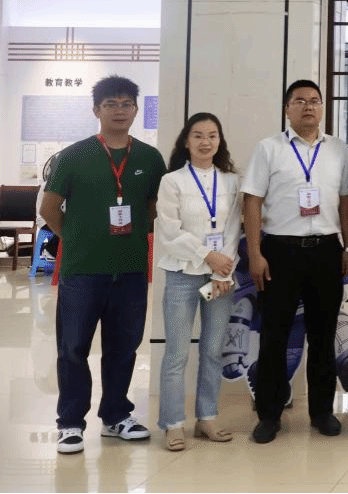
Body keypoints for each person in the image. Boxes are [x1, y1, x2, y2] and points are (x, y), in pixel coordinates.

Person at [42, 76, 166, 454]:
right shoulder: (73, 156)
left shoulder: (149, 158)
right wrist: (76, 237)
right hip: (82, 270)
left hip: (129, 269)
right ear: (96, 109)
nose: (119, 110)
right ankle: (70, 423)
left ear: (136, 110)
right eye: (111, 104)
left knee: (124, 348)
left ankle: (116, 416)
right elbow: (49, 208)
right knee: (73, 348)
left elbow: (152, 209)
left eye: (126, 104)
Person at [243, 79, 348, 444]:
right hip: (280, 251)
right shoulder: (269, 148)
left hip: (326, 251)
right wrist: (255, 253)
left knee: (323, 335)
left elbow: (346, 202)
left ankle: (322, 412)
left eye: (315, 101)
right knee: (274, 335)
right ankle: (269, 414)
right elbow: (252, 201)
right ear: (287, 109)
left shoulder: (338, 149)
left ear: (322, 108)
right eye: (300, 101)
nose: (308, 106)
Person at [155, 112, 242, 451]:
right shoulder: (172, 181)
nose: (206, 142)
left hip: (220, 279)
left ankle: (207, 417)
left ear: (220, 141)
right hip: (182, 275)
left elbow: (233, 229)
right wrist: (208, 256)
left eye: (212, 135)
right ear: (186, 141)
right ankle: (173, 424)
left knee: (213, 350)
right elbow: (169, 231)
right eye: (198, 135)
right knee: (176, 353)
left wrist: (222, 271)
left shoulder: (231, 181)